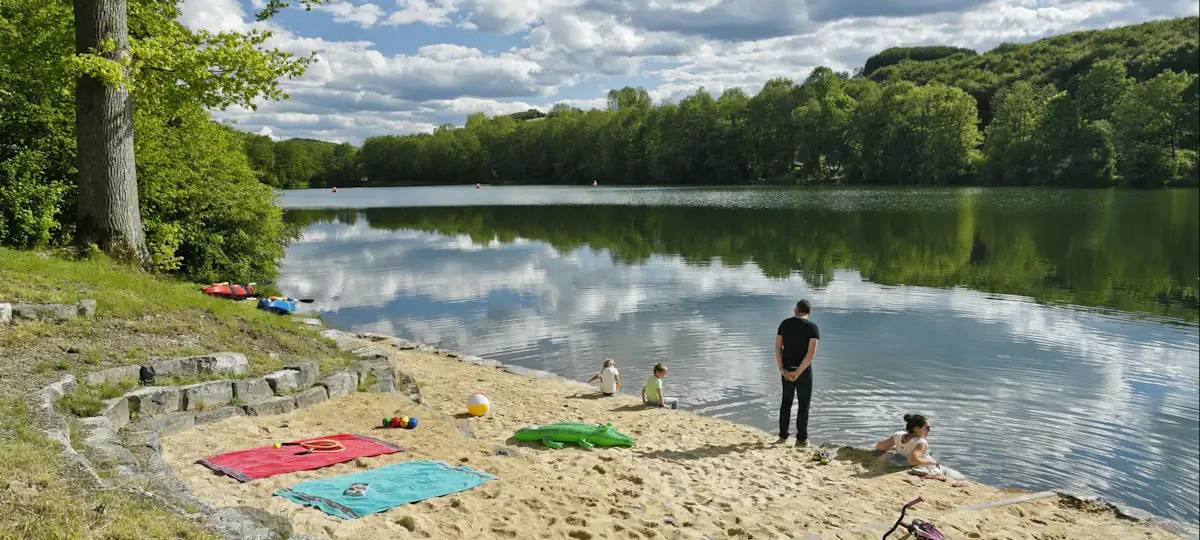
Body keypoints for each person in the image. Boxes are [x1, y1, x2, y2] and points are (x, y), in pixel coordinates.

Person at [775, 299, 819, 446]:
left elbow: (777, 347)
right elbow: (810, 355)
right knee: (803, 405)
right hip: (804, 372)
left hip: (786, 370)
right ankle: (801, 439)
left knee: (786, 403)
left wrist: (782, 368)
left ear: (795, 309)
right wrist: (799, 372)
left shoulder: (784, 324)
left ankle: (782, 436)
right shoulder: (813, 328)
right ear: (808, 312)